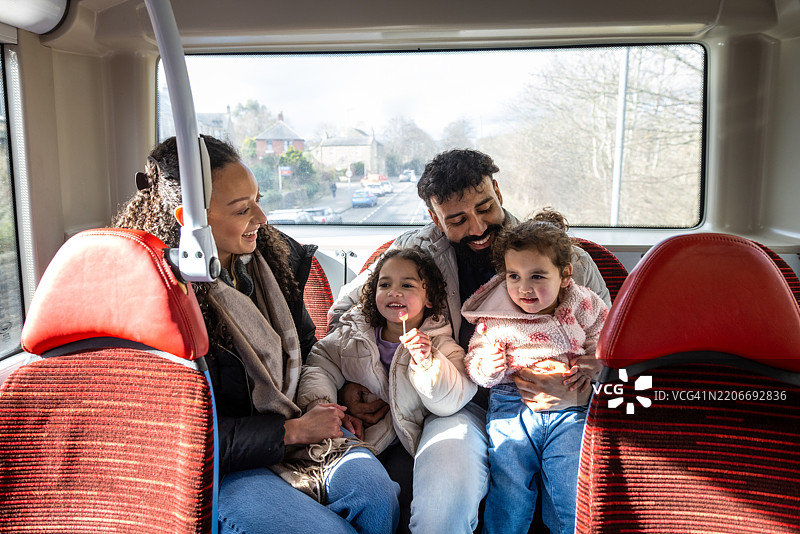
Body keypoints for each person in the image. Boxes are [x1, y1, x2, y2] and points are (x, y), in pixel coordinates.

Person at [112, 135, 399, 534]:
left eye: (258, 199)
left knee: (377, 497)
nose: (262, 218)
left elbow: (306, 345)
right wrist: (291, 431)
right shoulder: (155, 296)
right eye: (242, 209)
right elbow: (175, 434)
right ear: (189, 219)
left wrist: (334, 393)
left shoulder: (274, 259)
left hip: (298, 425)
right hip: (223, 465)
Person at [328, 148, 611, 533]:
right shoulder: (412, 251)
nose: (477, 227)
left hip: (559, 406)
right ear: (433, 217)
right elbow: (347, 313)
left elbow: (611, 343)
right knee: (441, 505)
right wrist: (348, 383)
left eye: (485, 207)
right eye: (458, 219)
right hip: (461, 403)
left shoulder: (560, 256)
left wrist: (577, 391)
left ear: (497, 190)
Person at [298, 247, 476, 533]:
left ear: (429, 298)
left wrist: (427, 362)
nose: (395, 292)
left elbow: (450, 400)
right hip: (357, 436)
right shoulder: (352, 335)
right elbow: (319, 365)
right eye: (385, 284)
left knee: (406, 499)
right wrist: (325, 405)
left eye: (407, 285)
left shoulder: (441, 345)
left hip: (407, 443)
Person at [461, 209, 608, 534]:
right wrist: (488, 368)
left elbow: (607, 337)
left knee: (570, 486)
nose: (524, 288)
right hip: (512, 407)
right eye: (514, 276)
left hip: (571, 406)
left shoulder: (583, 303)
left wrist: (597, 363)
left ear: (565, 275)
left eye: (537, 276)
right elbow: (476, 357)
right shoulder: (498, 316)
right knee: (510, 487)